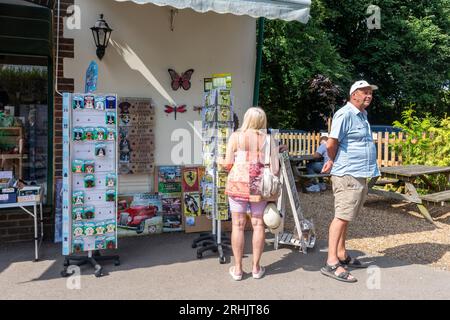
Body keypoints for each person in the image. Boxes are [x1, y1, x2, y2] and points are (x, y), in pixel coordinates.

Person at [320, 80, 380, 283]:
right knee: (341, 217)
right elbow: (331, 143)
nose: (369, 95)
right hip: (348, 173)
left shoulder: (362, 115)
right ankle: (331, 262)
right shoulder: (344, 114)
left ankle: (342, 254)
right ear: (353, 94)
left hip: (360, 172)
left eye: (370, 93)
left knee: (347, 216)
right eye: (365, 92)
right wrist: (333, 160)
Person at [220, 107, 279, 281]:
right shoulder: (269, 140)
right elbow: (275, 169)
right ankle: (256, 268)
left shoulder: (236, 137)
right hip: (258, 185)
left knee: (237, 225)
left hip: (238, 183)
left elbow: (228, 163)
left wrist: (219, 161)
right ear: (262, 121)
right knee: (258, 224)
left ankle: (238, 270)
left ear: (247, 119)